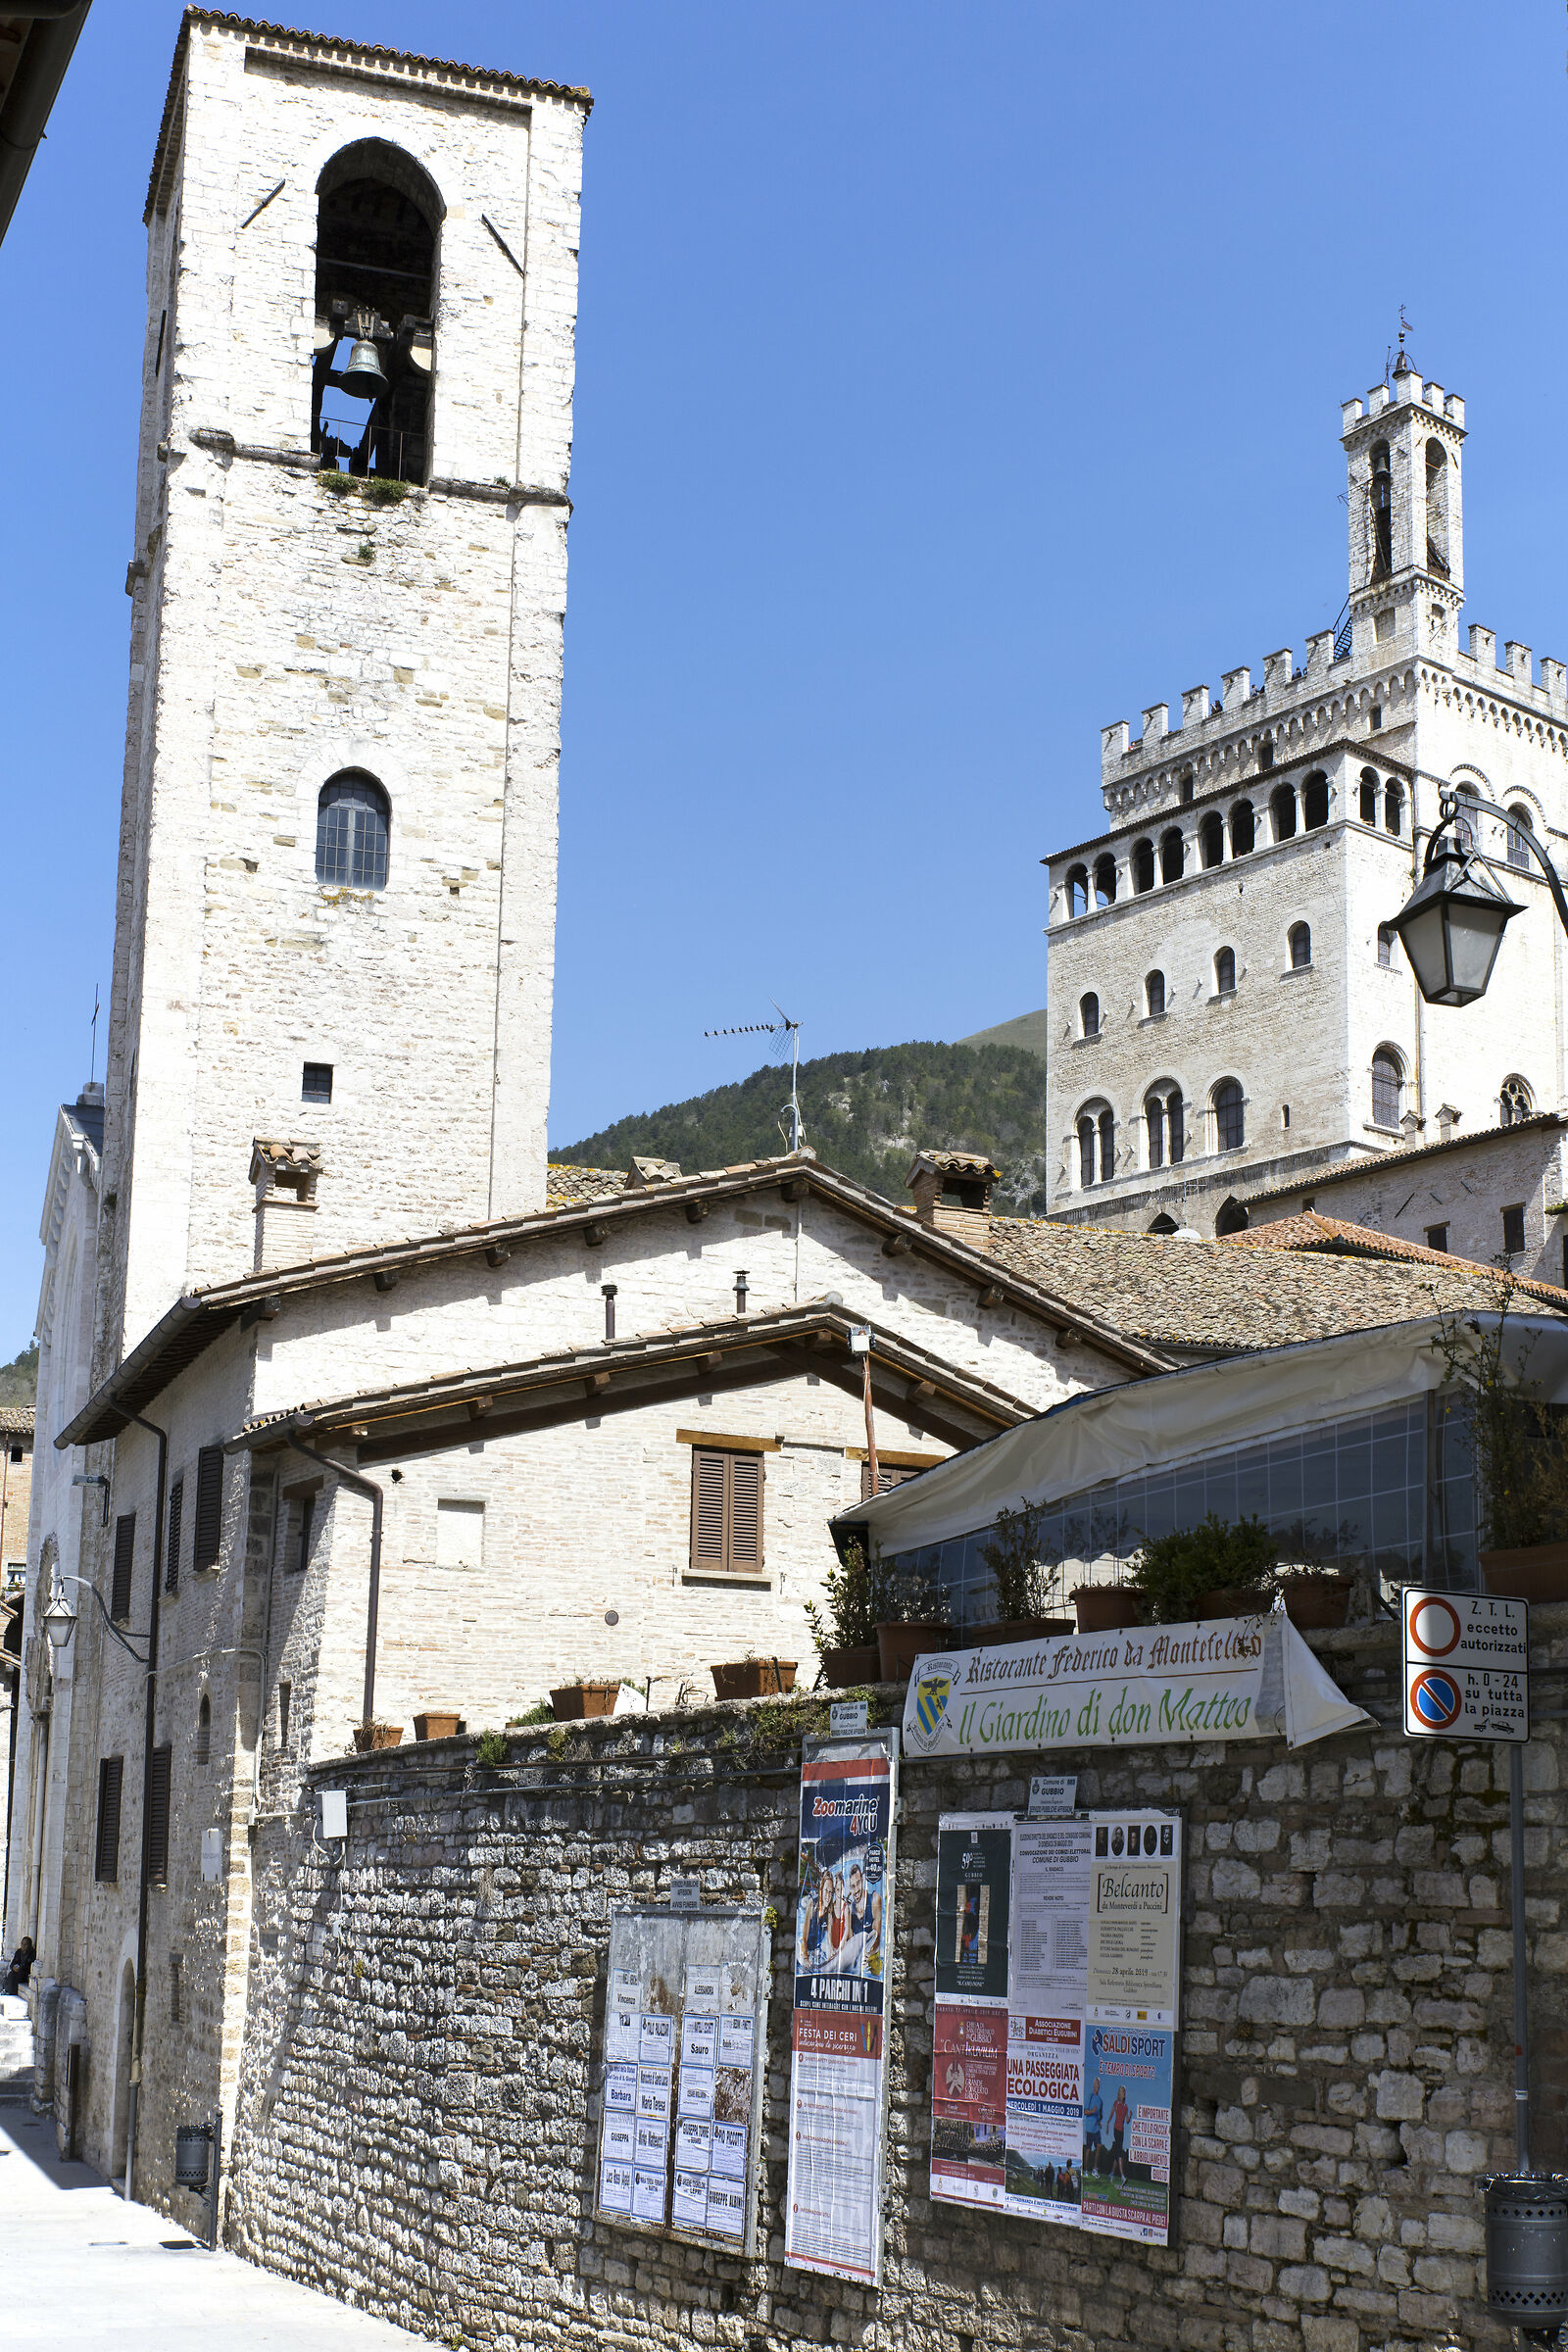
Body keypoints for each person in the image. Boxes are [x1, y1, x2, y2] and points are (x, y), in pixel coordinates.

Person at [1108, 2082, 1131, 2182]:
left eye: (1124, 2092)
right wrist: (1108, 2124)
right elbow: (1112, 2114)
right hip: (1116, 2129)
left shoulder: (1126, 2106)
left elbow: (1126, 2121)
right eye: (1122, 2092)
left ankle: (1111, 2174)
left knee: (1117, 2153)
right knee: (1120, 2153)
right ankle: (1122, 2176)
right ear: (1119, 2093)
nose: (1124, 2093)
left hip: (1122, 2131)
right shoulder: (1116, 2103)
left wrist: (1130, 2116)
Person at [1083, 2075, 1103, 2176]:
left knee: (1099, 2146)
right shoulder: (1090, 2096)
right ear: (1093, 2085)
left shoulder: (1100, 2100)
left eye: (1098, 2084)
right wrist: (1092, 2111)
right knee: (1088, 2149)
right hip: (1089, 2127)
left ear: (1099, 2086)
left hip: (1096, 2128)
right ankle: (1086, 2170)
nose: (1097, 2085)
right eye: (1095, 2083)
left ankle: (1095, 2169)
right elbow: (1085, 2112)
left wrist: (1099, 2122)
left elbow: (1100, 2115)